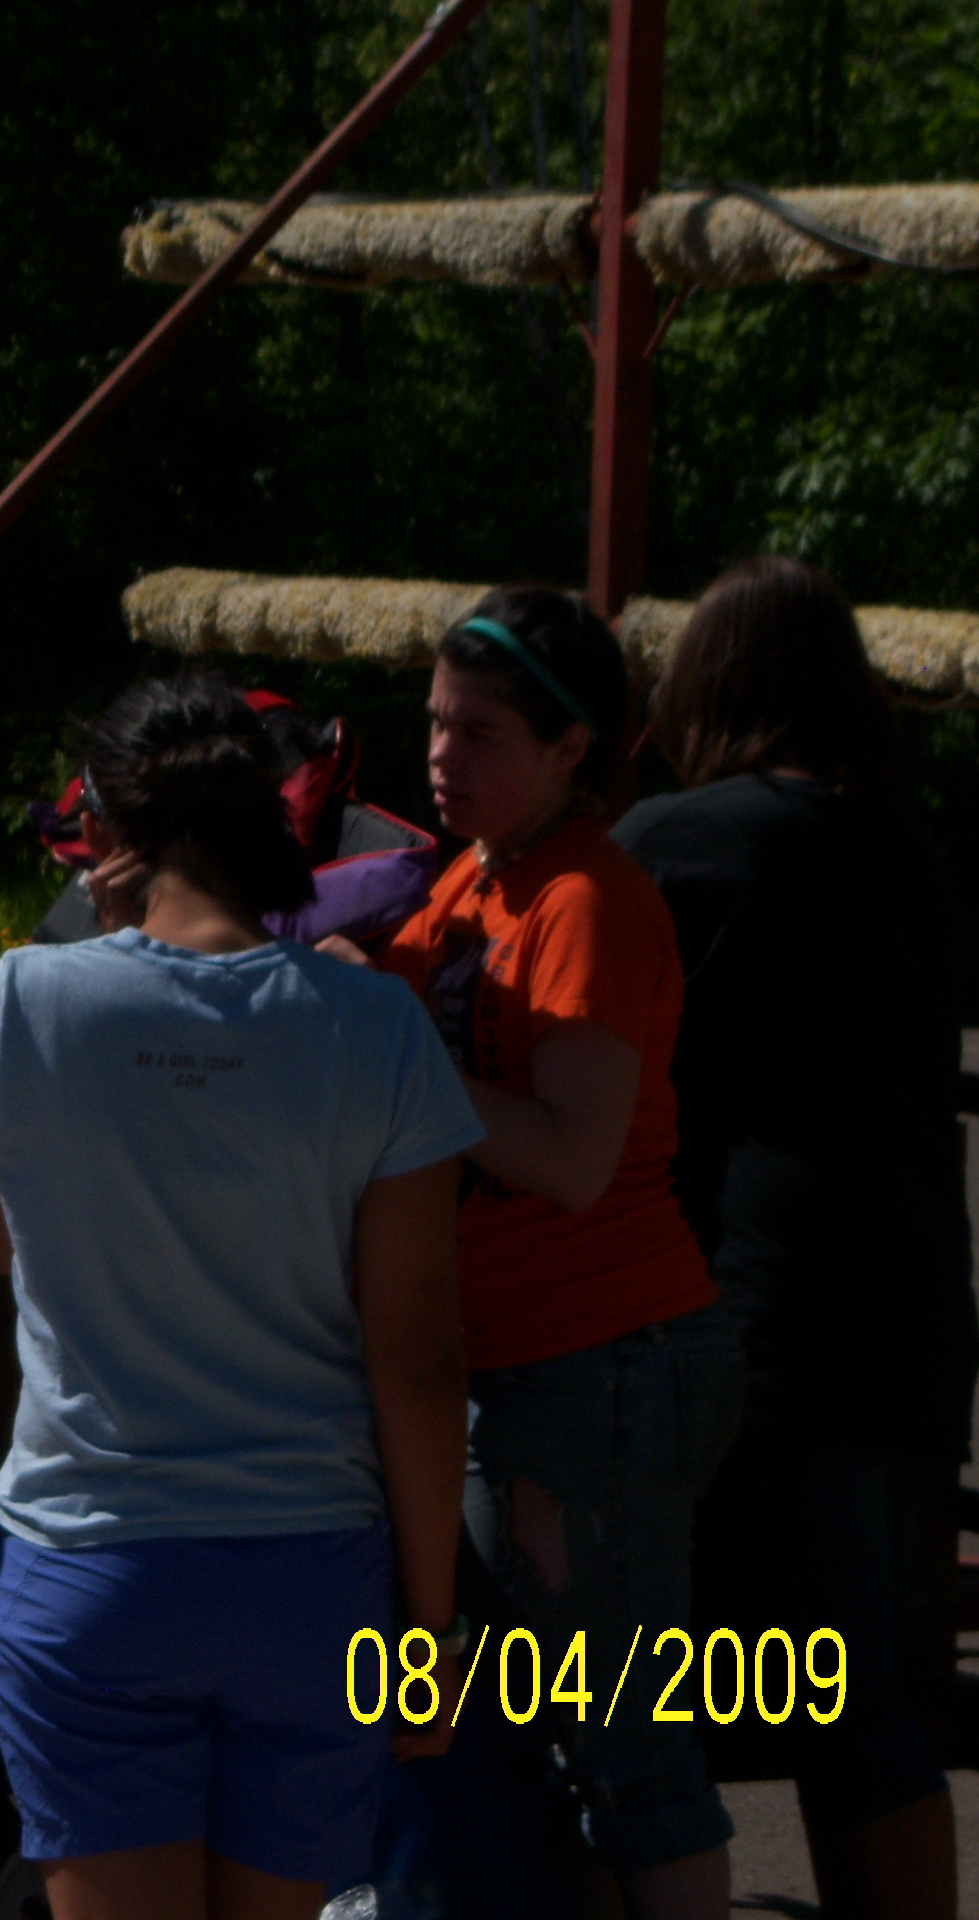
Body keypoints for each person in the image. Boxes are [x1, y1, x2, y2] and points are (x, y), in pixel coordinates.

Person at [0, 672, 480, 1920]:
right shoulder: (376, 1027)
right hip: (311, 1583)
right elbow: (416, 1355)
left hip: (91, 1565)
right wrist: (431, 1631)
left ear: (101, 831)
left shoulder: (31, 996)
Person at [364, 587, 744, 1920]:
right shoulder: (478, 873)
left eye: (478, 733)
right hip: (533, 1370)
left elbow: (574, 1158)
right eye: (433, 723)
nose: (439, 755)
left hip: (597, 1367)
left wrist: (392, 1055)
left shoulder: (583, 898)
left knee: (628, 1752)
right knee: (541, 1743)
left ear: (572, 747)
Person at [615, 556, 973, 1920]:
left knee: (823, 1702)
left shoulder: (681, 844)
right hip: (911, 1314)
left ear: (707, 684)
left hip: (771, 1321)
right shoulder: (898, 843)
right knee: (857, 1683)